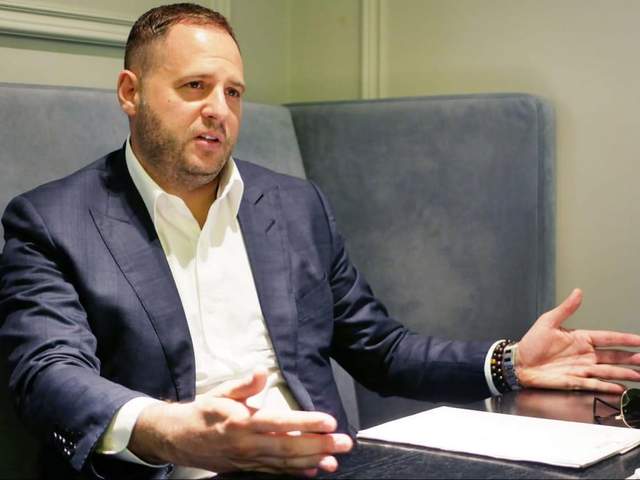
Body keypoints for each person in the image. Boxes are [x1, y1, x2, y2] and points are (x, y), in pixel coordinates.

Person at [1, 3, 640, 479]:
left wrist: (508, 364)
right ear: (130, 93)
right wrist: (168, 429)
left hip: (327, 466)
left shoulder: (293, 205)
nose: (219, 109)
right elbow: (48, 372)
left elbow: (380, 347)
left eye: (233, 92)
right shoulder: (51, 221)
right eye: (195, 87)